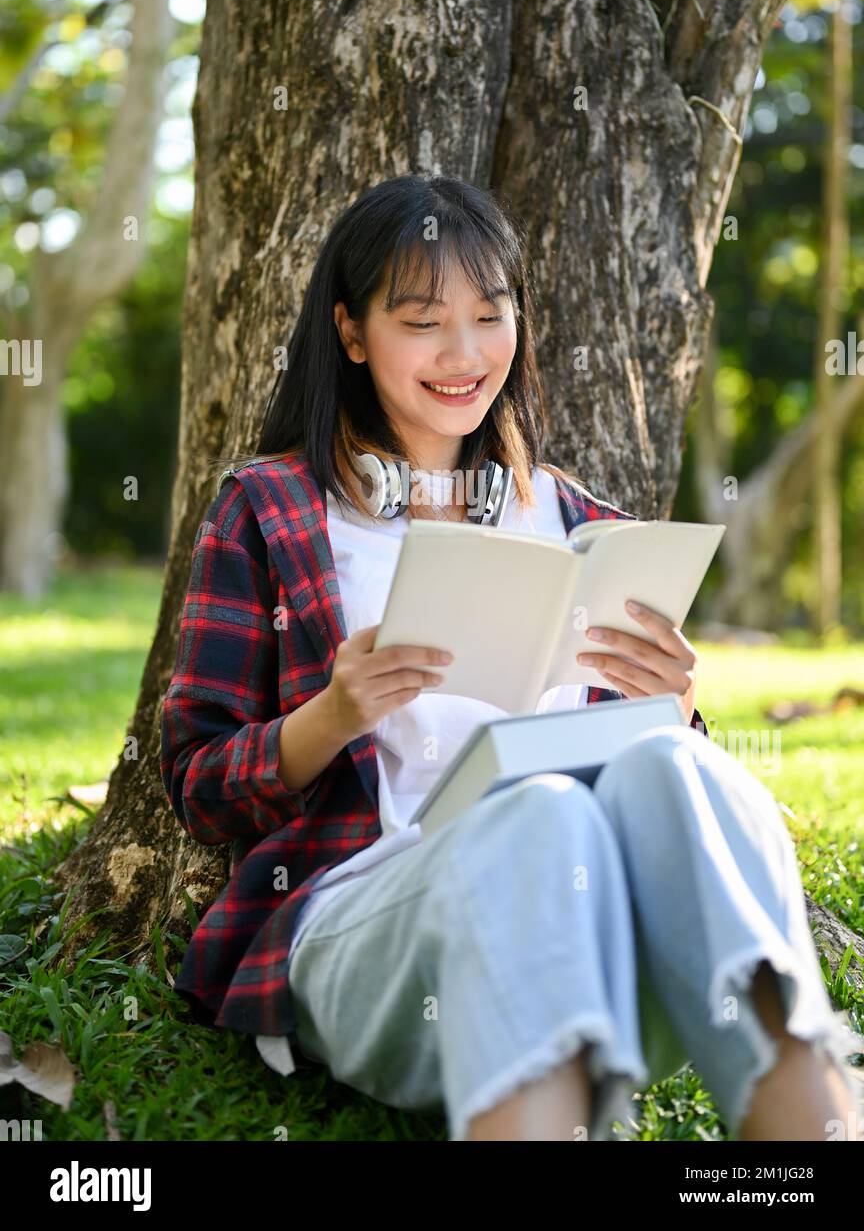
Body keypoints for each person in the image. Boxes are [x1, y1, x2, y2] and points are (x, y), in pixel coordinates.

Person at [160, 173, 862, 1142]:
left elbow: (669, 800)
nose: (464, 354)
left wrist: (678, 703)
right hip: (380, 928)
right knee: (535, 814)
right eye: (422, 321)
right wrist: (332, 714)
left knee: (672, 762)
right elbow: (199, 783)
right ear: (352, 332)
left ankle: (812, 1127)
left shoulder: (585, 523)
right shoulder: (272, 513)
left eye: (491, 316)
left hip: (605, 941)